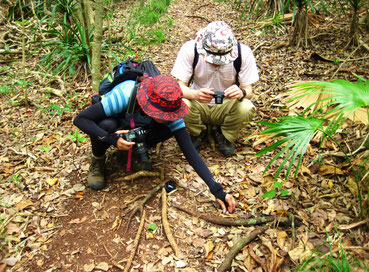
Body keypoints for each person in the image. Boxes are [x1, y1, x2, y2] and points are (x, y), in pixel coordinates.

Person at [73, 75, 236, 213]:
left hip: (139, 125)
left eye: (169, 115)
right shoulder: (124, 94)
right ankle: (98, 158)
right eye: (163, 114)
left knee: (169, 129)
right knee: (104, 126)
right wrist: (111, 139)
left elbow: (190, 153)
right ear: (149, 106)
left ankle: (132, 151)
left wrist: (217, 191)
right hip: (116, 124)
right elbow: (81, 119)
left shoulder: (172, 106)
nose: (168, 117)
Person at [171, 21, 259, 157]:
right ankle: (197, 132)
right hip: (198, 104)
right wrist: (195, 94)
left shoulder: (243, 53)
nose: (216, 63)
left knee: (246, 107)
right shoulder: (190, 49)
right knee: (179, 102)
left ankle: (225, 134)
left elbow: (249, 91)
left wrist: (241, 92)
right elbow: (179, 88)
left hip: (226, 104)